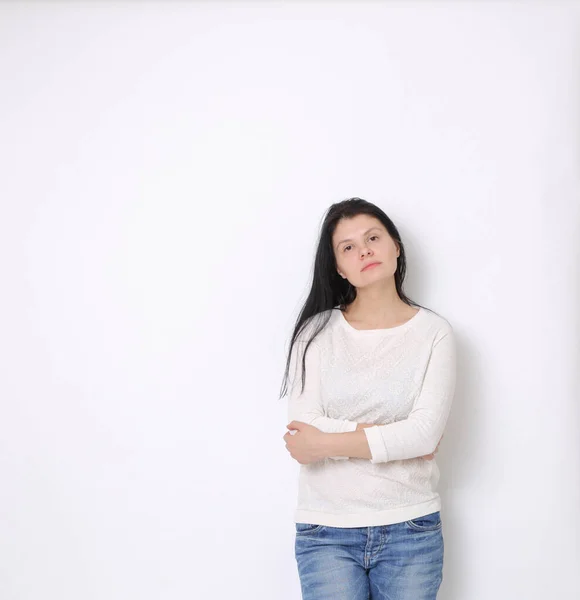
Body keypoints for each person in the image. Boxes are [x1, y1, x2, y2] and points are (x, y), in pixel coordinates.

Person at [280, 197, 457, 600]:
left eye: (373, 237)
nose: (364, 250)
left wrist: (325, 443)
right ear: (339, 267)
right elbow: (303, 429)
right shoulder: (315, 333)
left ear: (395, 245)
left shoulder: (435, 333)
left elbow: (424, 436)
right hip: (325, 531)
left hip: (411, 528)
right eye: (348, 247)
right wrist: (395, 437)